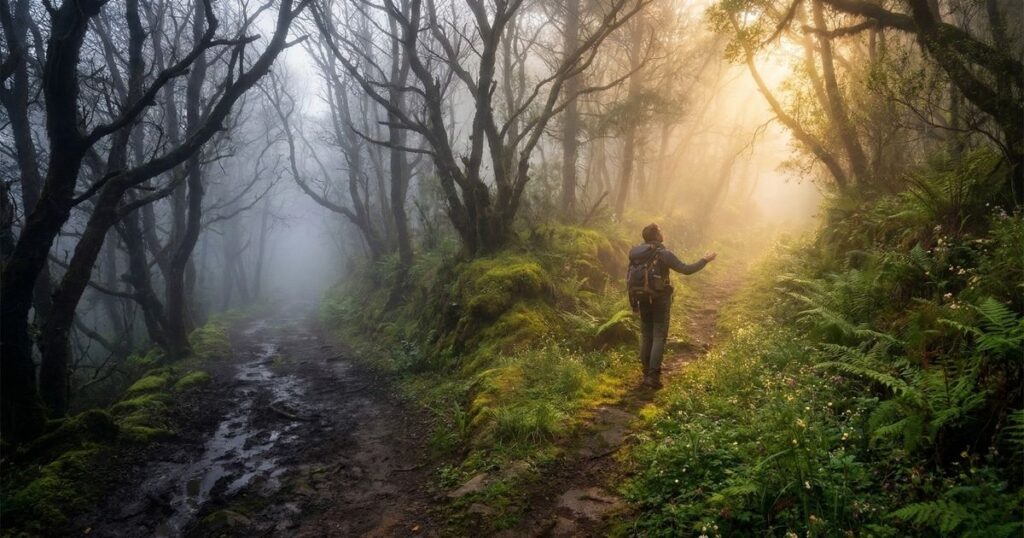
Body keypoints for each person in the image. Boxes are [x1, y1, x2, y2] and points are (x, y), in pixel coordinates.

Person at [628, 223, 716, 389]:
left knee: (646, 335)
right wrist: (705, 259)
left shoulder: (636, 254)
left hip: (642, 298)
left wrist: (634, 304)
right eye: (660, 231)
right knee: (659, 336)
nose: (662, 233)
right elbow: (686, 269)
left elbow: (629, 279)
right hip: (660, 299)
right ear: (656, 235)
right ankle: (653, 378)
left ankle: (646, 372)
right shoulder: (663, 254)